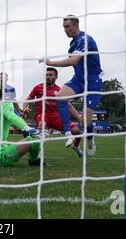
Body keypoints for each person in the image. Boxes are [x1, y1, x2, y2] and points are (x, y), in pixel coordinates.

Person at [40, 15, 103, 156]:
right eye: (63, 27)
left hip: (93, 83)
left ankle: (90, 138)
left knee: (84, 121)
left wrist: (50, 63)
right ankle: (68, 134)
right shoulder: (73, 43)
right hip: (78, 79)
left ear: (76, 25)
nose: (65, 30)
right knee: (60, 97)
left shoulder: (86, 40)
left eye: (67, 27)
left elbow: (73, 61)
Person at [23, 67, 83, 157]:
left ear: (56, 77)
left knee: (76, 131)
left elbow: (69, 106)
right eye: (46, 75)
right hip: (42, 115)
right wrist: (25, 108)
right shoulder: (38, 87)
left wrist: (79, 118)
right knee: (42, 125)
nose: (47, 77)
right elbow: (27, 100)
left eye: (50, 75)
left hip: (55, 117)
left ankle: (76, 146)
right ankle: (38, 152)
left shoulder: (59, 90)